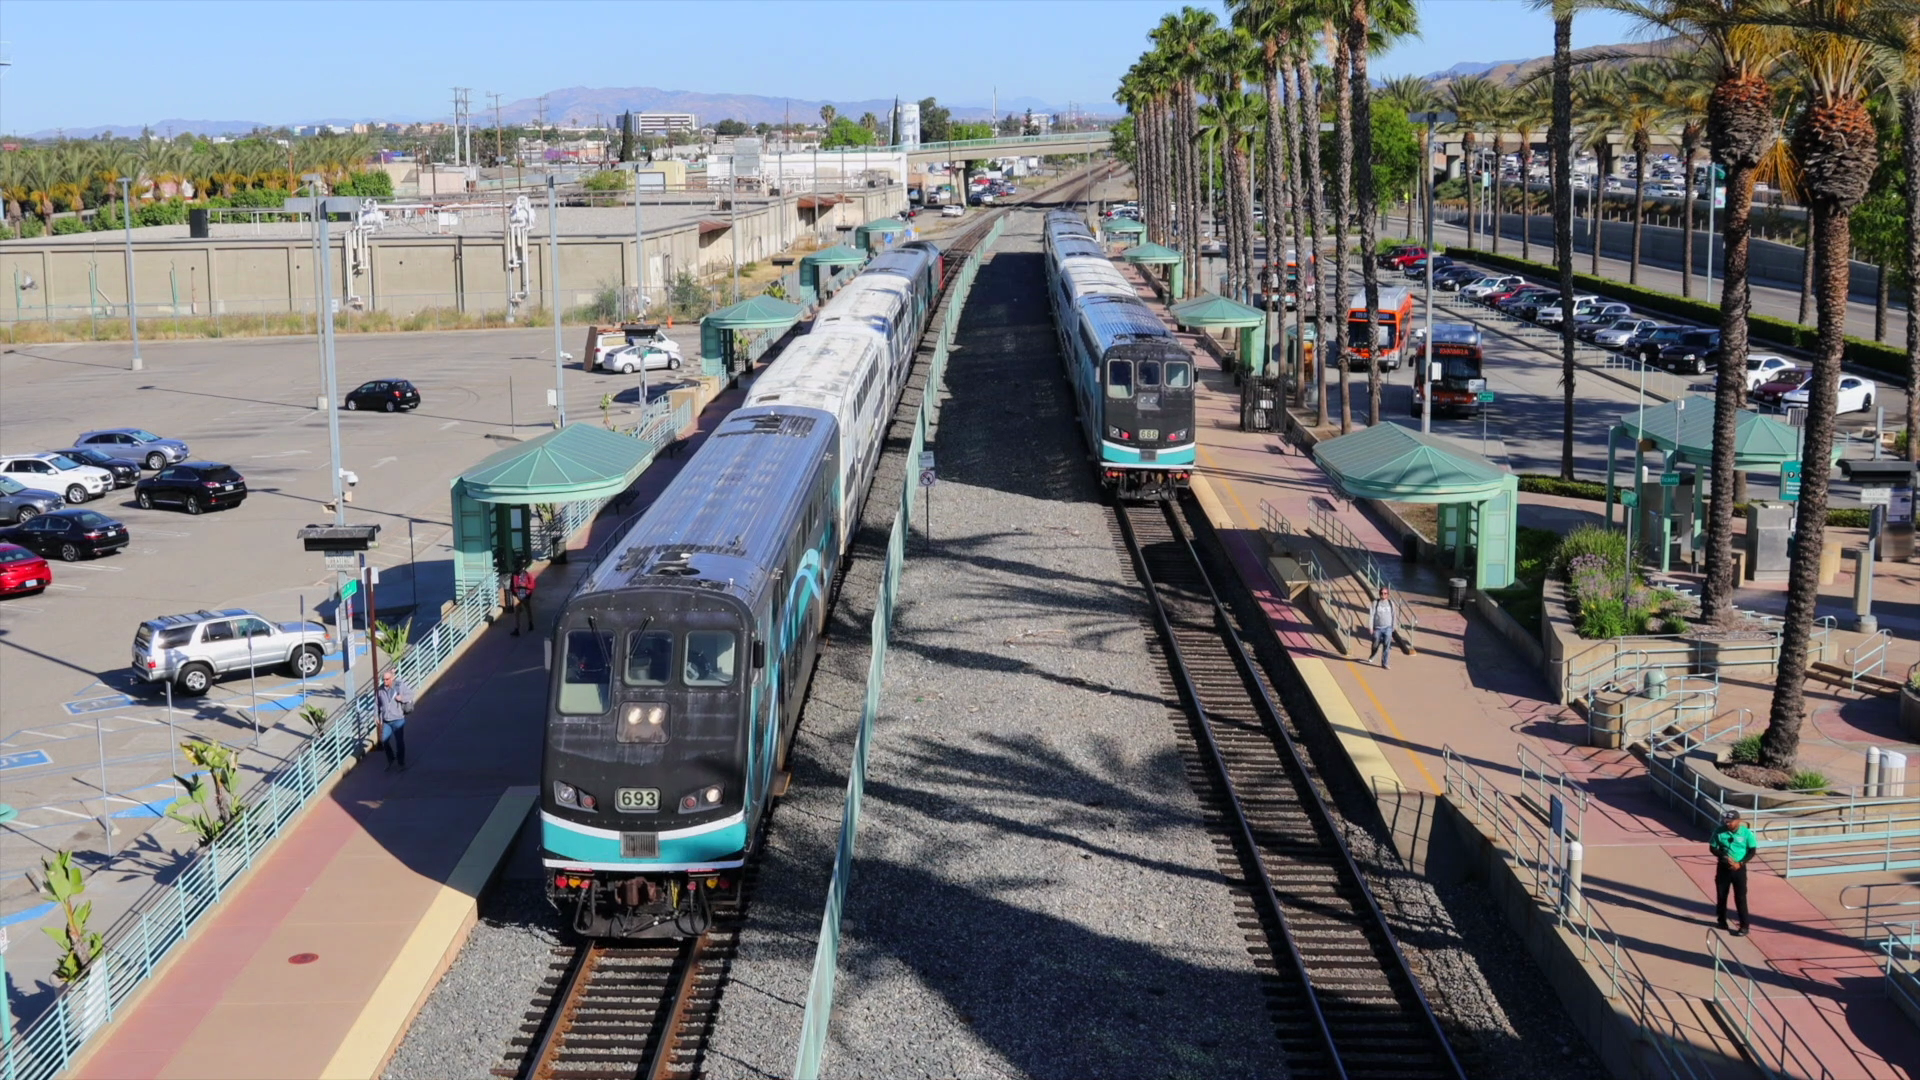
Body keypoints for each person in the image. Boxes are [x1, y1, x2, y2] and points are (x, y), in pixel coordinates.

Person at [1710, 808, 1757, 935]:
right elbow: (1713, 848)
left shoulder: (1746, 833)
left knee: (1740, 897)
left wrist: (1740, 863)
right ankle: (1721, 921)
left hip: (1739, 869)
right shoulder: (1719, 832)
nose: (1727, 823)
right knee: (1721, 895)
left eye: (1730, 821)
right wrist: (1723, 856)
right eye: (1726, 821)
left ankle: (1744, 926)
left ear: (1738, 821)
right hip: (1723, 868)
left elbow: (1752, 851)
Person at [376, 669, 415, 772]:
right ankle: (391, 758)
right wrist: (376, 716)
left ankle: (401, 763)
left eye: (387, 679)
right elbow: (377, 704)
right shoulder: (380, 690)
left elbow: (411, 694)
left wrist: (401, 698)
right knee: (384, 740)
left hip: (398, 719)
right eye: (383, 679)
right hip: (386, 720)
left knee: (399, 742)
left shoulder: (399, 686)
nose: (385, 681)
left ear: (392, 678)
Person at [1368, 586, 1397, 669]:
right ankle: (1373, 654)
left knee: (1386, 646)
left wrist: (1393, 626)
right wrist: (1370, 627)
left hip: (1388, 628)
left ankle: (1385, 663)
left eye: (1385, 593)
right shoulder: (1375, 603)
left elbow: (1394, 615)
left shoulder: (1391, 604)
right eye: (1381, 593)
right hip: (1377, 628)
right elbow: (1371, 615)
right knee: (1375, 643)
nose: (1383, 595)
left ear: (1388, 595)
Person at [508, 559, 536, 637]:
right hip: (517, 595)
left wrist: (525, 587)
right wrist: (515, 593)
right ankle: (517, 628)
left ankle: (530, 623)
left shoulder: (528, 575)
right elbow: (512, 585)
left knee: (528, 610)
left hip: (526, 595)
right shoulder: (514, 575)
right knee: (517, 612)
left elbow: (532, 585)